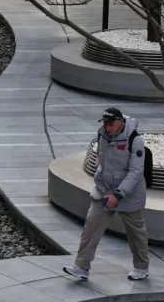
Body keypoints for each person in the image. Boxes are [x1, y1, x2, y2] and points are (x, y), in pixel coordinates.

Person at [63, 107, 149, 282]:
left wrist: (118, 195)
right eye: (104, 123)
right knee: (91, 227)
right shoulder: (102, 135)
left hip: (129, 195)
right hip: (105, 192)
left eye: (110, 124)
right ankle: (81, 267)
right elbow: (101, 163)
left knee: (136, 233)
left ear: (120, 122)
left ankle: (141, 267)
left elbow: (135, 172)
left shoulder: (135, 140)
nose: (107, 127)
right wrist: (101, 185)